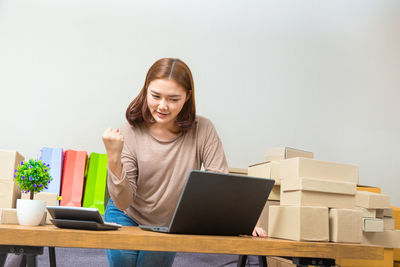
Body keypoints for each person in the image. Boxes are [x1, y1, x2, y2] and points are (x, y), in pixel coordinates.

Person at [102, 58, 266, 267]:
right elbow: (123, 201)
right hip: (126, 213)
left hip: (169, 223)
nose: (162, 106)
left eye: (173, 99)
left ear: (187, 97)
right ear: (145, 91)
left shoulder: (203, 129)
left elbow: (220, 184)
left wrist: (245, 221)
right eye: (155, 96)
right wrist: (114, 157)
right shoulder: (130, 131)